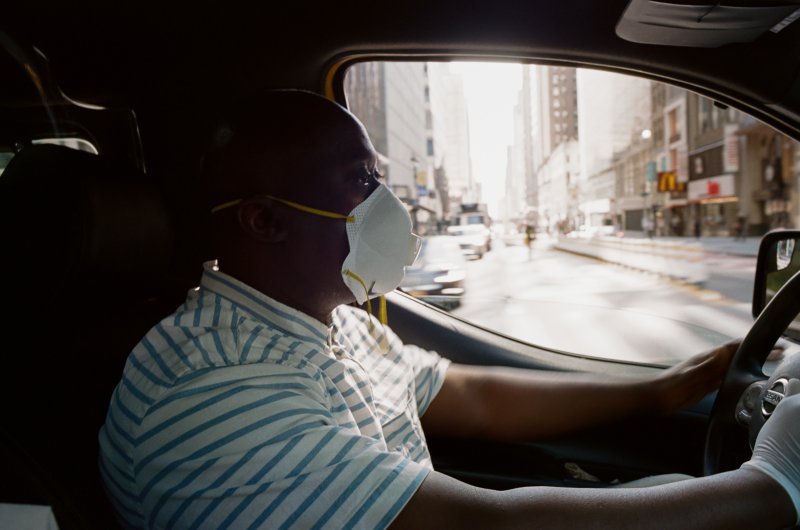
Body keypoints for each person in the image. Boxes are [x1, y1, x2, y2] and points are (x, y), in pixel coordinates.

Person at [98, 90, 800, 529]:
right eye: (362, 181)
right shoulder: (215, 386)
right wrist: (776, 484)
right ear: (264, 220)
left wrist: (669, 386)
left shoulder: (334, 325)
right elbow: (484, 525)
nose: (387, 205)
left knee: (677, 487)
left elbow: (473, 396)